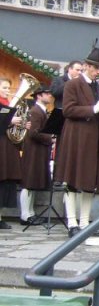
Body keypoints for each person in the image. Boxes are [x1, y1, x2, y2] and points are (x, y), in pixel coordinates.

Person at [54, 44, 99, 237]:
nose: (97, 71)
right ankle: (72, 223)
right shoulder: (72, 84)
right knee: (72, 180)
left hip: (94, 137)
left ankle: (85, 223)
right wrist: (93, 108)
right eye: (95, 67)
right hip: (76, 137)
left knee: (89, 181)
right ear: (86, 66)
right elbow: (68, 110)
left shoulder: (97, 86)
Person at [19, 85, 54, 226]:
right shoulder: (36, 111)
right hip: (33, 151)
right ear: (39, 96)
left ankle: (30, 213)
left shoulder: (41, 111)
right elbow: (33, 132)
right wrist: (50, 138)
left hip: (38, 151)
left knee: (32, 184)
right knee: (28, 183)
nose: (50, 96)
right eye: (47, 93)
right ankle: (25, 215)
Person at [0, 77, 22, 229]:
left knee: (6, 181)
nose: (8, 91)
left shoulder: (9, 105)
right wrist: (10, 121)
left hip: (8, 146)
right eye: (4, 88)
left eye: (8, 88)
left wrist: (23, 124)